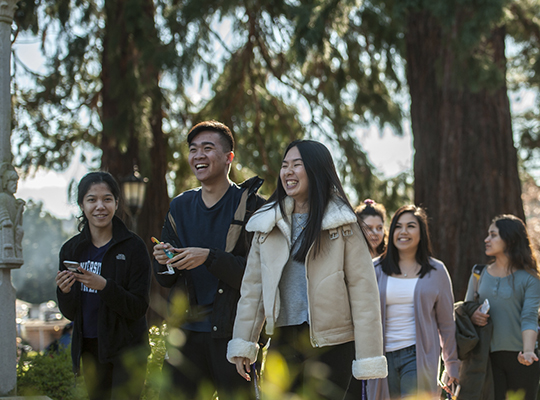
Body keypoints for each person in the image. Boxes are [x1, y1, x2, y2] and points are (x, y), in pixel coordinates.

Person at [227, 140, 387, 400]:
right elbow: (253, 289)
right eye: (284, 165)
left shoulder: (344, 223)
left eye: (297, 165)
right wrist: (245, 343)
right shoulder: (267, 223)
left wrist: (369, 356)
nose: (288, 172)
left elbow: (363, 292)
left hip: (334, 342)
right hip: (283, 336)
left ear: (316, 170)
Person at [152, 121, 266, 399]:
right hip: (186, 333)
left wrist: (209, 257)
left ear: (229, 157)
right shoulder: (180, 206)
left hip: (233, 333)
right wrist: (163, 260)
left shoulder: (253, 207)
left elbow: (257, 275)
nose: (198, 155)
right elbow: (166, 278)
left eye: (207, 148)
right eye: (193, 150)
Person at [55, 172, 150, 400]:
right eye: (92, 200)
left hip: (127, 351)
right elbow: (70, 313)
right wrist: (64, 291)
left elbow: (138, 307)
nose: (100, 206)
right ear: (81, 205)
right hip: (89, 349)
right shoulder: (71, 250)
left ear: (117, 203)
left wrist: (104, 286)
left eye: (107, 199)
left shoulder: (133, 248)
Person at [367, 205, 459, 400]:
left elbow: (446, 324)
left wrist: (451, 363)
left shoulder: (437, 271)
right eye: (398, 226)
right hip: (382, 358)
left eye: (410, 226)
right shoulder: (374, 269)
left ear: (421, 233)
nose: (403, 231)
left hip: (418, 355)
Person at [466, 214, 540, 400]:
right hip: (487, 359)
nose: (486, 239)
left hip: (521, 359)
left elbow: (529, 317)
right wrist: (473, 315)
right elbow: (467, 310)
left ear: (510, 239)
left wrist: (528, 352)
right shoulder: (478, 274)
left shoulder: (530, 279)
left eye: (493, 235)